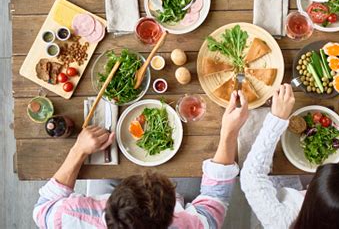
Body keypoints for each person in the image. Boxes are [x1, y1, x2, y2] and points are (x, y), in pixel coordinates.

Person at [33, 91, 249, 228]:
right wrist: (229, 132)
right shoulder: (192, 225)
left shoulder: (69, 216)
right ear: (171, 217)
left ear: (109, 203)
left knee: (100, 170)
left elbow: (41, 209)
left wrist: (78, 150)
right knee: (196, 170)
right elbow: (215, 198)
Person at [240, 84, 339, 229]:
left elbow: (251, 176)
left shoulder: (282, 222)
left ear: (310, 200)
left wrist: (276, 120)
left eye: (311, 187)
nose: (309, 185)